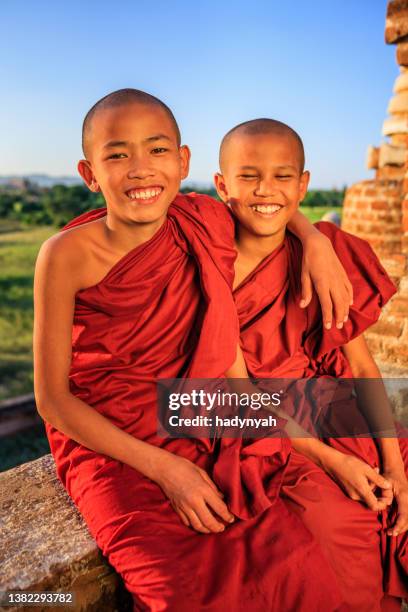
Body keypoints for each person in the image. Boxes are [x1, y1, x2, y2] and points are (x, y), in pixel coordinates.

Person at [33, 89, 354, 611]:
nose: (140, 169)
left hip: (196, 413)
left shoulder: (200, 220)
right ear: (89, 173)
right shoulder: (64, 255)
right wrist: (166, 469)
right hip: (112, 441)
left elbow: (265, 206)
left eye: (157, 150)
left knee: (297, 569)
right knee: (180, 590)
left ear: (182, 162)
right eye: (117, 155)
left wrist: (313, 239)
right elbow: (52, 401)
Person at [214, 117, 408, 611]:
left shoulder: (319, 251)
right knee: (340, 523)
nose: (265, 190)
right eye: (248, 176)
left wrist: (393, 462)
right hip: (262, 429)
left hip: (328, 404)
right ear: (221, 185)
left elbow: (362, 367)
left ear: (303, 184)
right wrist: (332, 460)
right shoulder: (210, 264)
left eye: (283, 177)